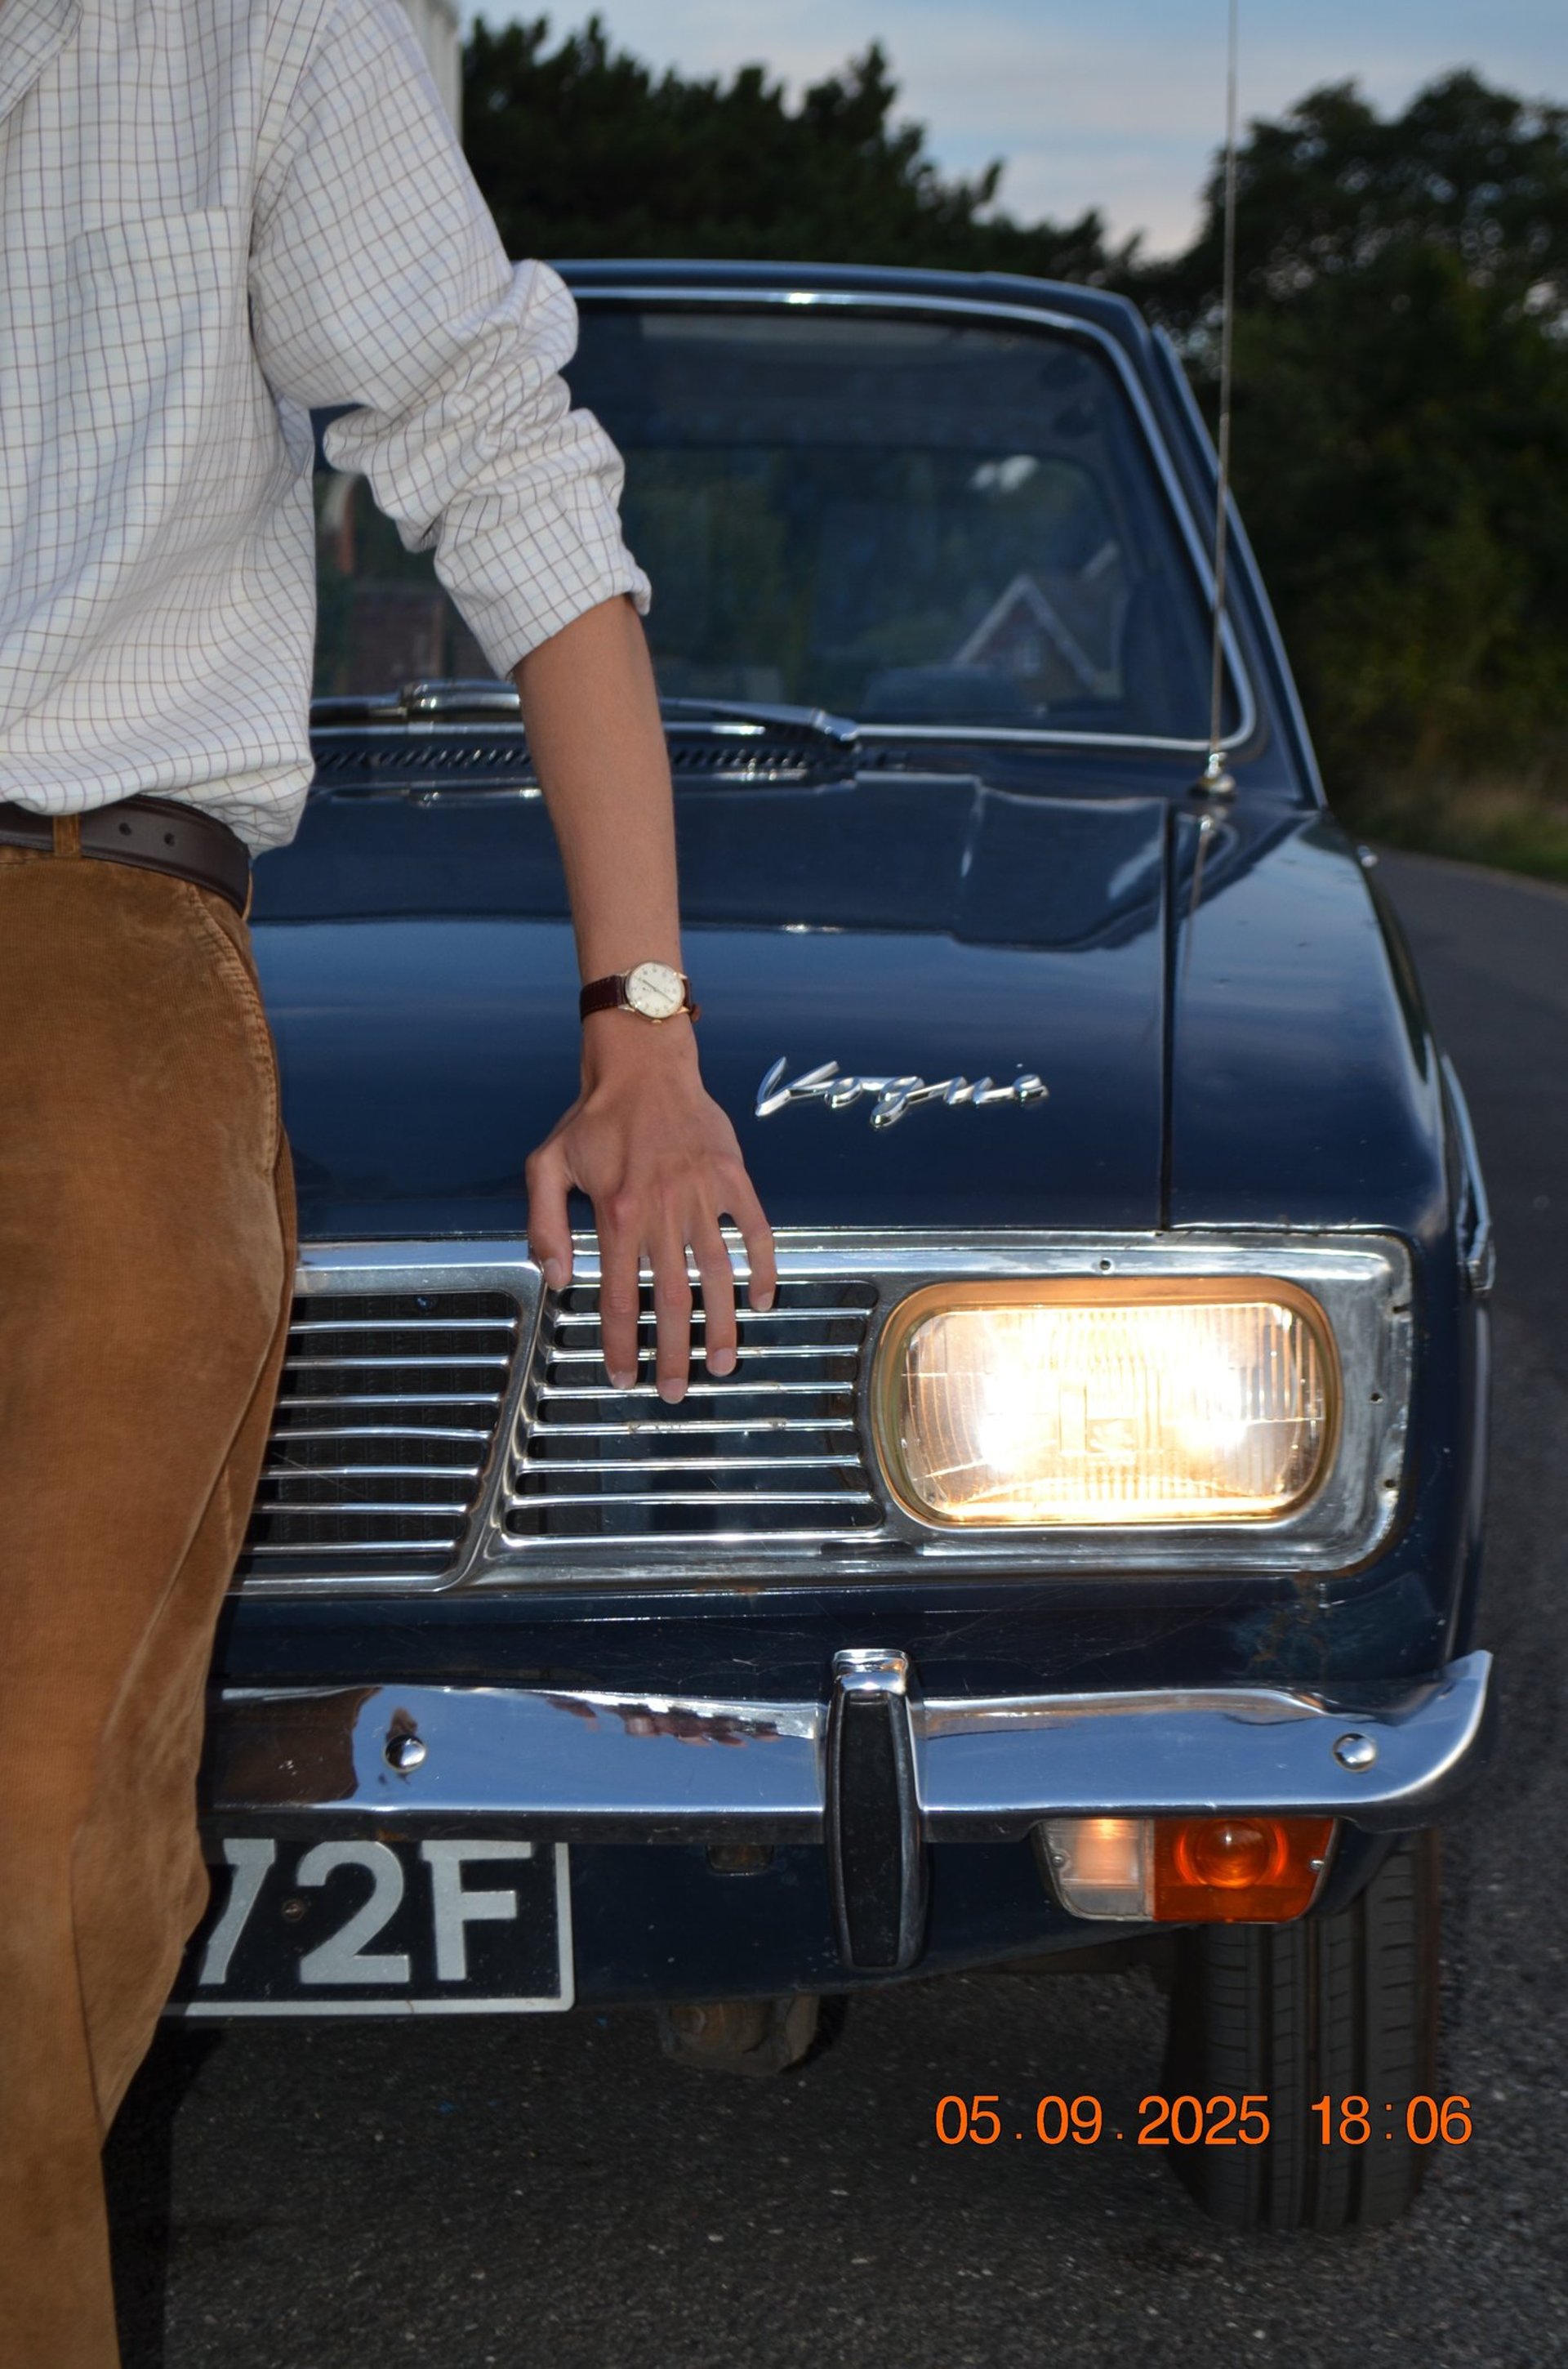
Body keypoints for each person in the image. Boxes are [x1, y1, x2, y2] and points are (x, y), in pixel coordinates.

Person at [0, 0, 775, 2357]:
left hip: (86, 977)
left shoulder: (262, 24)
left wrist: (643, 1028)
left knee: (20, 1864)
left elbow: (502, 458)